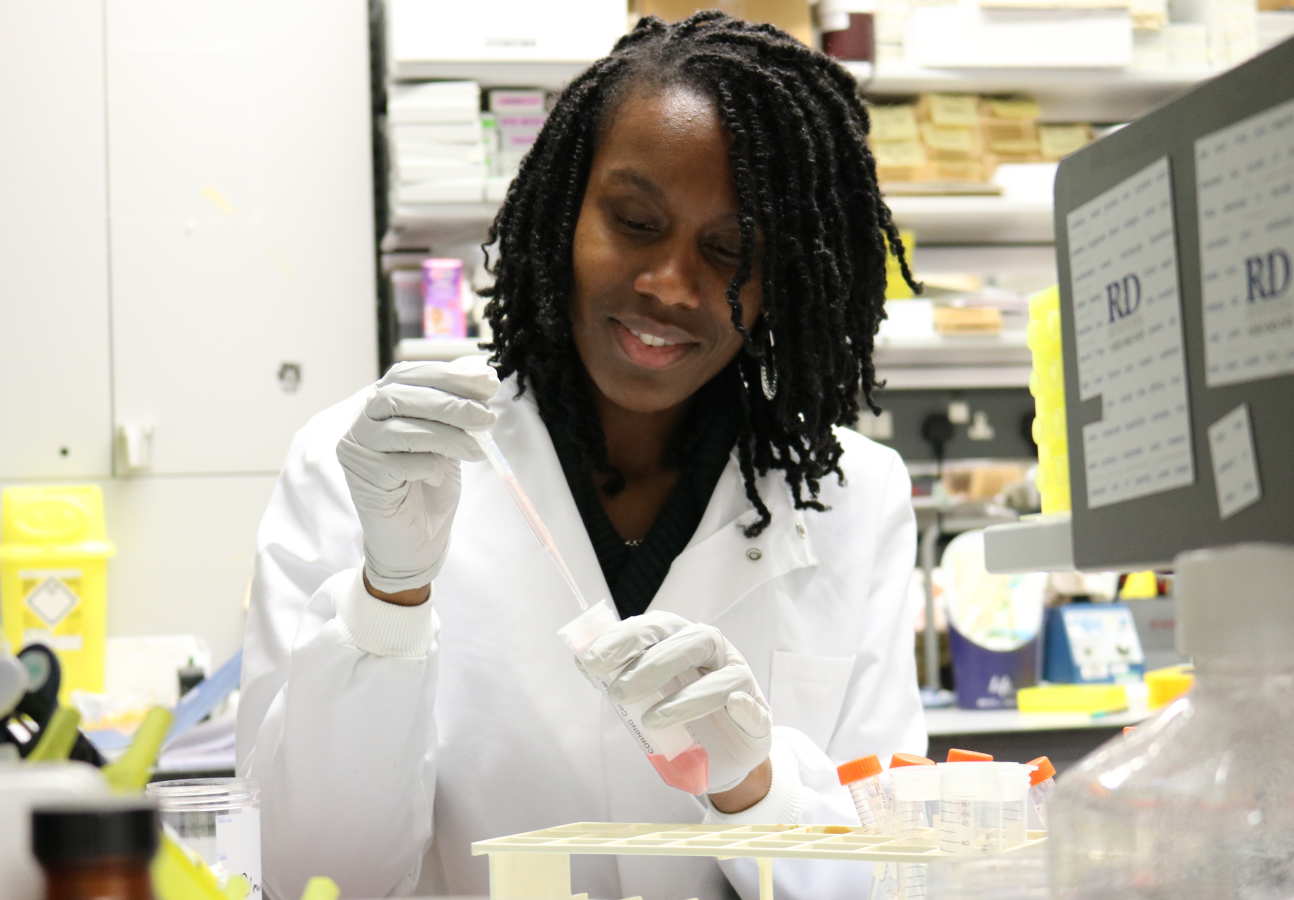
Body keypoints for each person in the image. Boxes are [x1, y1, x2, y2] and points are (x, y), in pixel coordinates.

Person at [237, 12, 925, 899]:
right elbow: (312, 875)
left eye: (728, 251)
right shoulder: (363, 466)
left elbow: (892, 878)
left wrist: (756, 789)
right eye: (635, 222)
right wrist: (388, 600)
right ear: (566, 210)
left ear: (782, 274)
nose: (668, 286)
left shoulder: (854, 497)